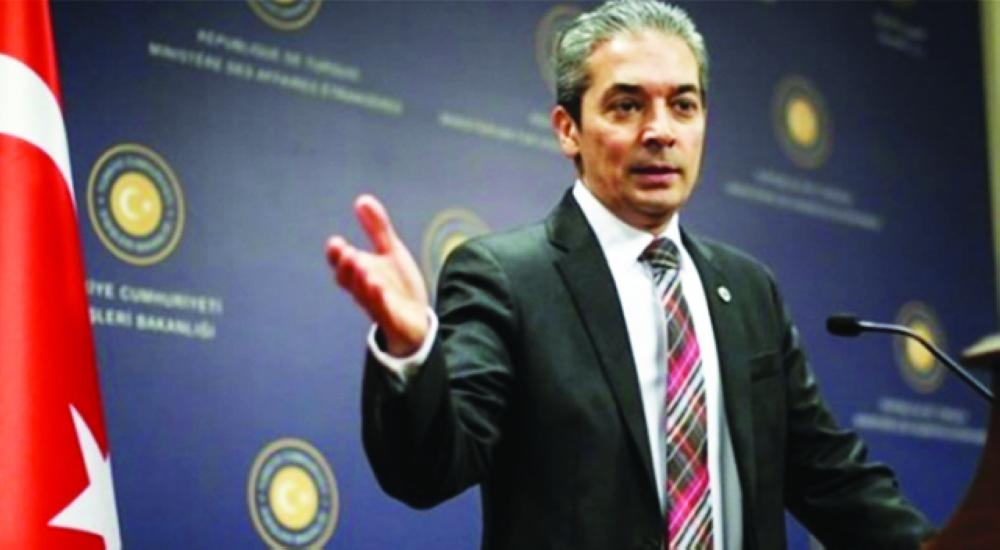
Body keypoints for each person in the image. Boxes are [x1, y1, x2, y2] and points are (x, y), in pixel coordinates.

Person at [325, 1, 935, 548]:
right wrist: (411, 351)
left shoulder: (749, 288)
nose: (660, 131)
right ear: (568, 129)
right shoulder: (506, 278)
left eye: (683, 105)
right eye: (626, 105)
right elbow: (428, 471)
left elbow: (827, 473)